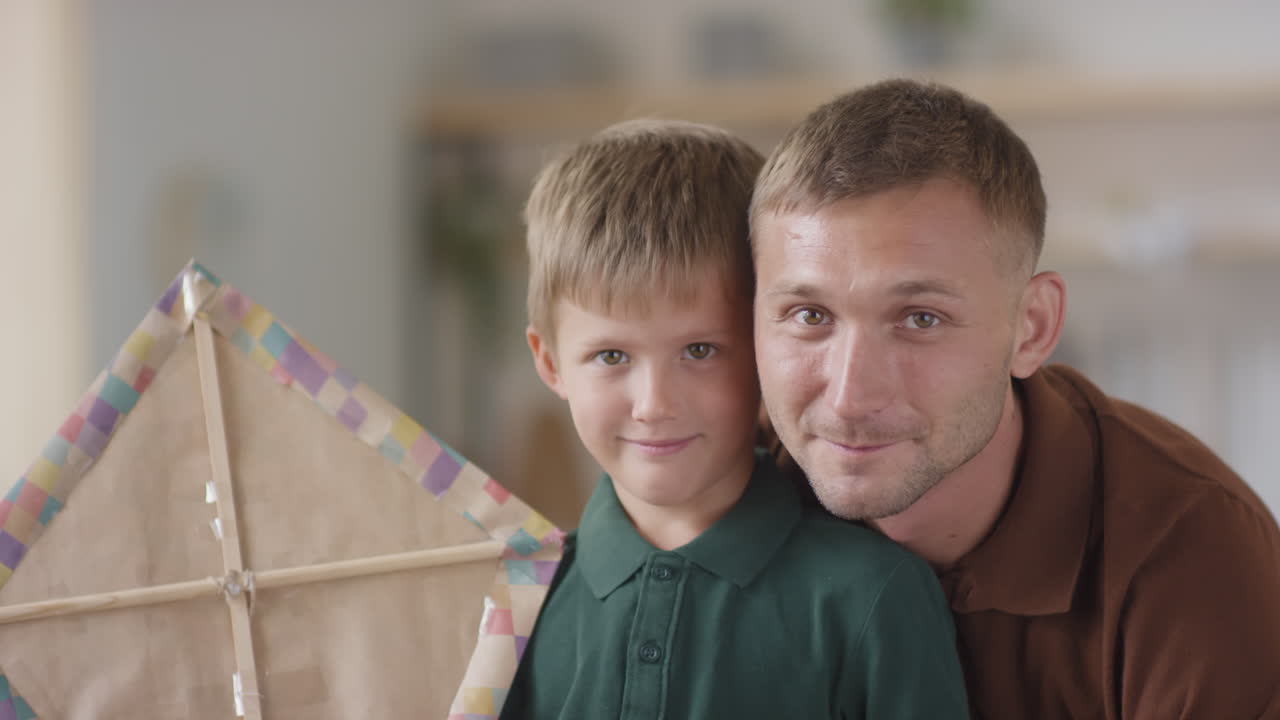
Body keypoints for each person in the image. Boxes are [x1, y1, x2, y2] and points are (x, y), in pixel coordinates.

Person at [751, 78, 1280, 719]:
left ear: (1032, 328)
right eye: (809, 314)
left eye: (920, 318)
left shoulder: (1191, 548)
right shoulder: (731, 494)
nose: (850, 394)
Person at [500, 119, 969, 718]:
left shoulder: (874, 597)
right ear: (549, 361)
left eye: (700, 351)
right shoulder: (514, 604)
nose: (654, 405)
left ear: (769, 350)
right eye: (611, 356)